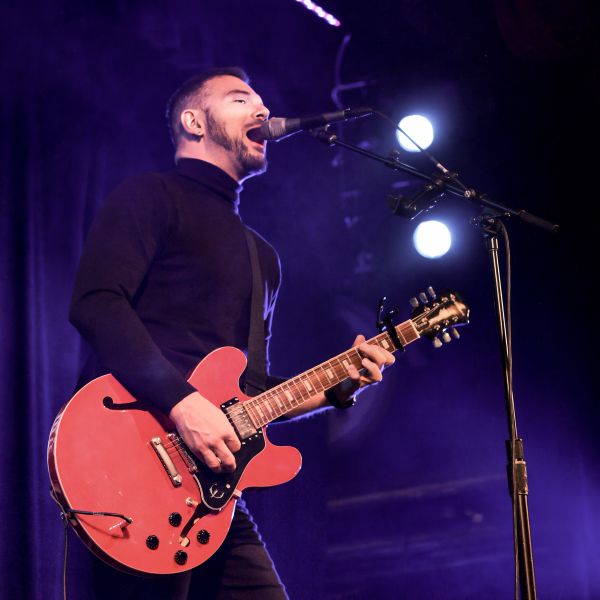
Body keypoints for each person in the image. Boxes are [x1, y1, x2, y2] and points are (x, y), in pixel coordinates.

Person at [68, 66, 395, 599]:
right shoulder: (150, 196)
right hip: (132, 467)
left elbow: (251, 393)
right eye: (241, 99)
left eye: (262, 102)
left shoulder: (261, 256)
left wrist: (339, 384)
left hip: (209, 494)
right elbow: (97, 304)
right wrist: (183, 404)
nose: (262, 110)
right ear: (194, 122)